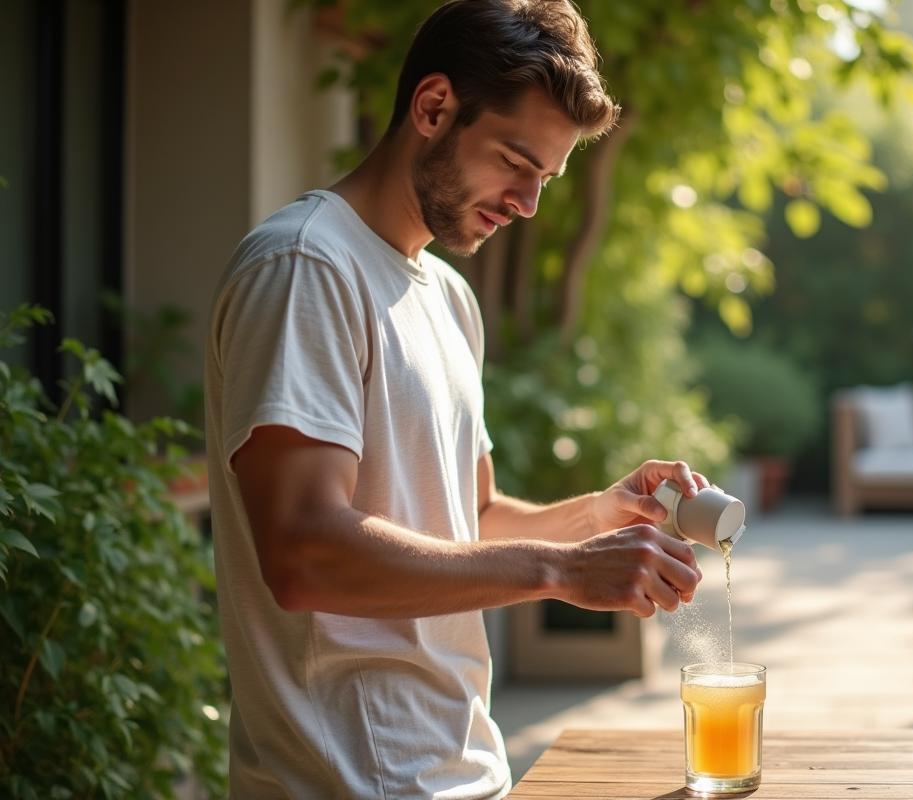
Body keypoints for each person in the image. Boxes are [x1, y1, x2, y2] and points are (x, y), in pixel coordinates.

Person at [204, 1, 710, 796]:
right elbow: (303, 553)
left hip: (460, 769)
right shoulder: (307, 267)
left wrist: (600, 518)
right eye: (515, 161)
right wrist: (558, 570)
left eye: (544, 178)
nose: (528, 203)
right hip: (350, 781)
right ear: (434, 108)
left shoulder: (446, 296)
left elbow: (464, 523)